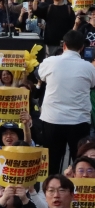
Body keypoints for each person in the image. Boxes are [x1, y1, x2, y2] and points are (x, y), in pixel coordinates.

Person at [36, 30, 95, 172]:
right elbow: (93, 85)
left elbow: (38, 75)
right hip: (79, 121)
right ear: (82, 48)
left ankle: (51, 190)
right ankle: (80, 192)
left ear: (64, 45)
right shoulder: (89, 67)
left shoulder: (49, 62)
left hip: (52, 120)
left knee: (52, 162)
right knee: (81, 163)